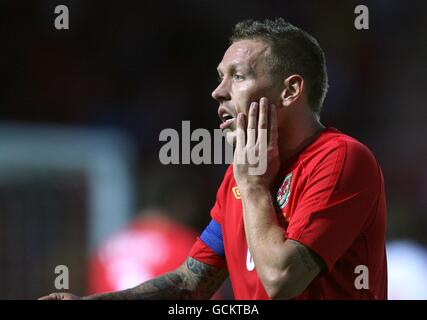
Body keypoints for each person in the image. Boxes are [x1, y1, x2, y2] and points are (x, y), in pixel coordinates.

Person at [40, 18, 387, 300]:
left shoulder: (341, 158)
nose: (218, 91)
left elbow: (281, 280)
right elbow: (192, 284)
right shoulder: (239, 176)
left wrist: (252, 187)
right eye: (220, 77)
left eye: (238, 76)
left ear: (290, 90)